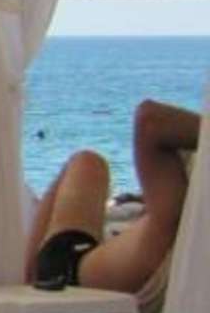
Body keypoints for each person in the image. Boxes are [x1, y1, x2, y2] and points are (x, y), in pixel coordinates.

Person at [26, 100, 196, 294]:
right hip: (84, 262)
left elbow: (150, 120)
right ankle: (30, 280)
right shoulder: (176, 207)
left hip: (67, 275)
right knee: (87, 161)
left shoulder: (171, 216)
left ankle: (29, 282)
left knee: (85, 161)